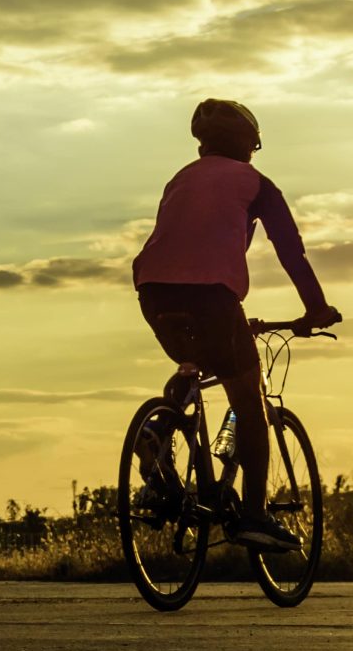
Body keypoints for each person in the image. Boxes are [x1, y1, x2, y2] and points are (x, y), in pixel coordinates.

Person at [131, 98, 339, 552]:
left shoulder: (180, 179)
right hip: (211, 296)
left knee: (192, 362)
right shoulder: (257, 183)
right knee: (250, 403)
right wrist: (316, 309)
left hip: (152, 291)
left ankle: (159, 431)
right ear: (250, 143)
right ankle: (254, 516)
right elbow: (290, 252)